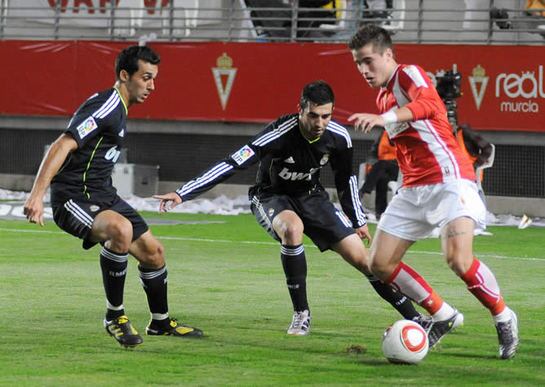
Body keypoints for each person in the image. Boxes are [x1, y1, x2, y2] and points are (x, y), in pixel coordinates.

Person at [155, 80, 426, 336]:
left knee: (365, 261)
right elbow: (232, 163)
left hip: (311, 196)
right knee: (292, 228)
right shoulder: (277, 134)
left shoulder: (339, 137)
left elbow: (346, 179)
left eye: (326, 116)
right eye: (313, 116)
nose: (320, 123)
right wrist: (183, 193)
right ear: (300, 110)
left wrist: (357, 218)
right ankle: (301, 313)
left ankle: (415, 319)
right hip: (271, 196)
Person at [348, 25, 518, 359]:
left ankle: (503, 315)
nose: (363, 70)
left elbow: (427, 103)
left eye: (368, 61)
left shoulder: (408, 74)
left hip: (449, 179)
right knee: (379, 264)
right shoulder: (382, 95)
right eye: (357, 63)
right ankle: (442, 315)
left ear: (387, 55)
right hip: (413, 188)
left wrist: (386, 118)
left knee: (457, 258)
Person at [23, 45, 203, 348]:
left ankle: (160, 322)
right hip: (73, 198)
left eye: (154, 79)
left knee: (154, 252)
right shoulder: (106, 104)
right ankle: (114, 316)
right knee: (120, 229)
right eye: (146, 78)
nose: (152, 86)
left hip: (104, 194)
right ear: (124, 75)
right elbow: (62, 144)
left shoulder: (119, 107)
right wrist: (36, 196)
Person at [359, 128, 399, 220]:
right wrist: (371, 164)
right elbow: (373, 153)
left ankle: (364, 190)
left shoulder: (403, 134)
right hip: (382, 168)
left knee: (381, 165)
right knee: (382, 179)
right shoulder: (383, 134)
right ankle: (380, 213)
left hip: (397, 167)